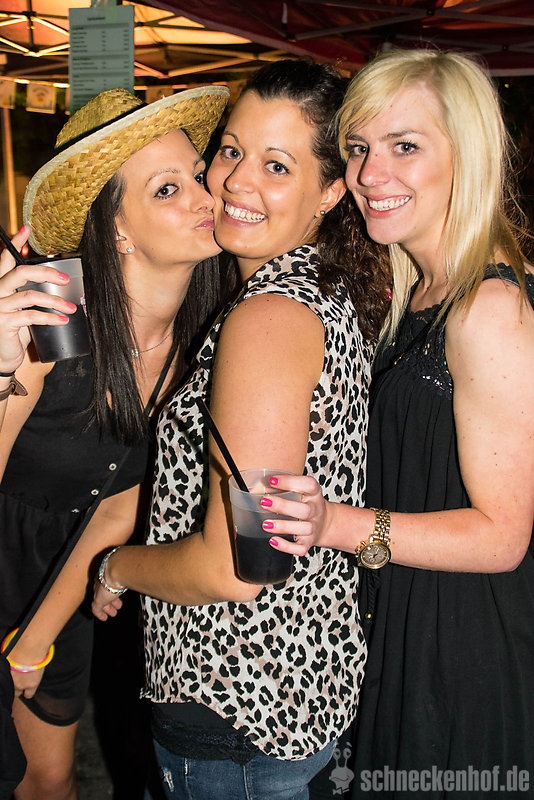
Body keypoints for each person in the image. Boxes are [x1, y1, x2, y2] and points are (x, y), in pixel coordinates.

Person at [92, 60, 390, 800]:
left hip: (237, 710)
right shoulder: (316, 288)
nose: (234, 181)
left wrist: (115, 567)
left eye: (276, 165)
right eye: (230, 150)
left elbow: (237, 567)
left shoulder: (267, 319)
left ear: (331, 191)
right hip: (291, 700)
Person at [262, 49, 534, 798]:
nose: (369, 174)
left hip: (466, 658)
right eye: (357, 148)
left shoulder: (488, 308)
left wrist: (333, 524)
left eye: (404, 146)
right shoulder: (423, 294)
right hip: (419, 629)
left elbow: (503, 537)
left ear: (467, 155)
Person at [0, 83, 232, 800]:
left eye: (199, 175)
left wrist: (34, 638)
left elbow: (117, 506)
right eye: (168, 188)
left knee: (50, 780)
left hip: (63, 577)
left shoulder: (205, 345)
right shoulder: (53, 324)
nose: (205, 196)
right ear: (119, 230)